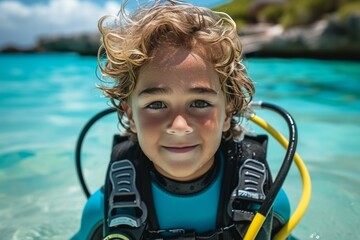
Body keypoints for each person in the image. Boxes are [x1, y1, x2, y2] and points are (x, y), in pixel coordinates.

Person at [72, 0, 291, 239]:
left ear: (228, 114)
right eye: (156, 104)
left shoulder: (269, 206)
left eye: (200, 103)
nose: (179, 126)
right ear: (130, 115)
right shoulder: (100, 214)